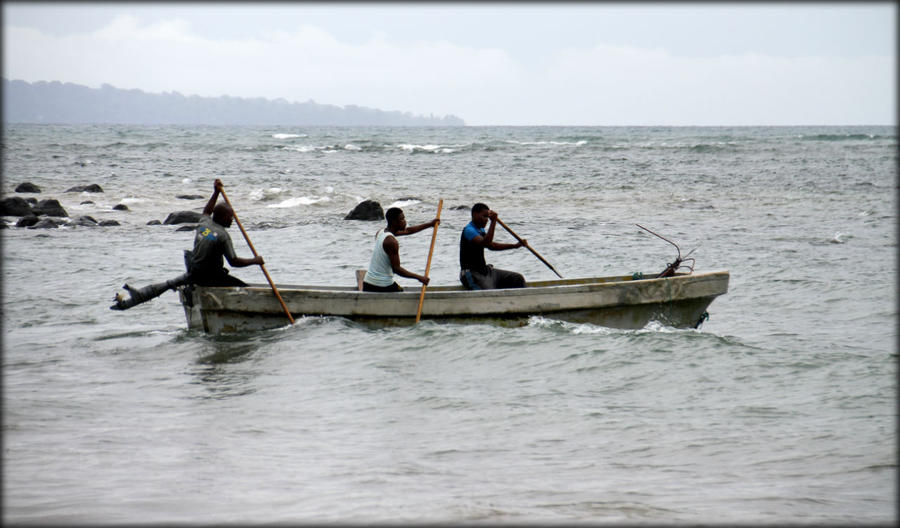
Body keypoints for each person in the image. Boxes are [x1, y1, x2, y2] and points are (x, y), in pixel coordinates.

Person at [110, 179, 263, 310]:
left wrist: (215, 192)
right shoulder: (223, 236)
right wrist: (255, 261)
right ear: (222, 217)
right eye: (230, 217)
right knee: (246, 290)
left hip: (194, 271)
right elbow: (233, 262)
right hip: (209, 277)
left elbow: (206, 211)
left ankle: (131, 301)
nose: (233, 220)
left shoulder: (204, 225)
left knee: (168, 284)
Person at [362, 207, 439, 292]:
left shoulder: (381, 232)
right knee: (400, 291)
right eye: (402, 219)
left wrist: (430, 224)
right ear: (394, 222)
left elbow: (408, 231)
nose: (405, 221)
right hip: (381, 286)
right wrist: (419, 278)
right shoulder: (391, 242)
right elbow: (396, 269)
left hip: (367, 283)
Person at [459, 203, 526, 290]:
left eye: (488, 217)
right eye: (484, 216)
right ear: (475, 214)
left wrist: (515, 246)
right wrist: (493, 222)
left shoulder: (480, 230)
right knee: (489, 292)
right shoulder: (469, 230)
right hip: (471, 274)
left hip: (485, 272)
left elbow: (491, 246)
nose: (487, 220)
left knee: (518, 279)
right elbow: (486, 243)